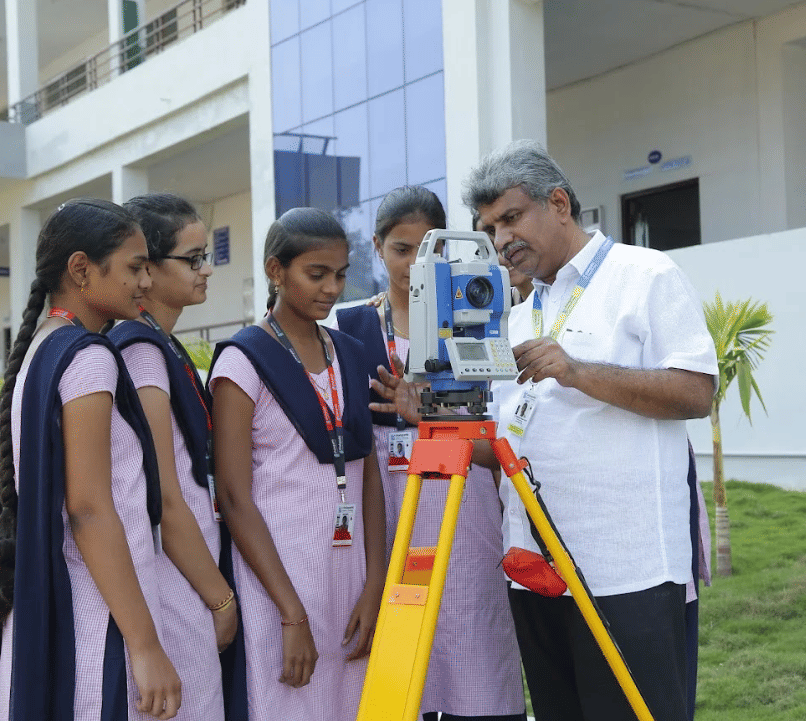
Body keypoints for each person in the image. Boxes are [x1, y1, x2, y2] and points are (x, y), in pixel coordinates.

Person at [465, 140, 718, 721]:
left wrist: (577, 372)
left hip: (627, 571)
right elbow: (505, 442)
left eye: (510, 218)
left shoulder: (644, 274)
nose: (501, 240)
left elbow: (695, 392)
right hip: (535, 568)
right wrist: (427, 416)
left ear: (558, 203)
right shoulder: (519, 313)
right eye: (489, 228)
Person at [0, 199, 182, 721]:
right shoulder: (87, 359)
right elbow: (88, 509)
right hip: (98, 617)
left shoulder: (46, 346)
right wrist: (146, 644)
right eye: (135, 267)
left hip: (71, 606)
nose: (146, 282)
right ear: (82, 269)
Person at [337, 186, 526, 721]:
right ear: (377, 247)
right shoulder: (347, 328)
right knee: (397, 645)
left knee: (471, 630)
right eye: (401, 249)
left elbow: (498, 421)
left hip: (462, 505)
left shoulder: (476, 319)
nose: (415, 262)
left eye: (428, 248)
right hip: (388, 502)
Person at [209, 207, 385, 721]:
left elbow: (368, 473)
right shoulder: (244, 361)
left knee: (351, 703)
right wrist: (291, 614)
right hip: (278, 579)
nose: (331, 288)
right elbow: (235, 496)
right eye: (316, 274)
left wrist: (374, 583)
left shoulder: (350, 354)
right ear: (275, 270)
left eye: (340, 274)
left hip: (349, 575)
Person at [108, 193, 238, 721]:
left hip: (186, 572)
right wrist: (220, 600)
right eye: (192, 259)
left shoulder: (163, 343)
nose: (206, 270)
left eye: (205, 256)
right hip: (172, 579)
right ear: (146, 268)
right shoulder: (140, 351)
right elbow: (165, 493)